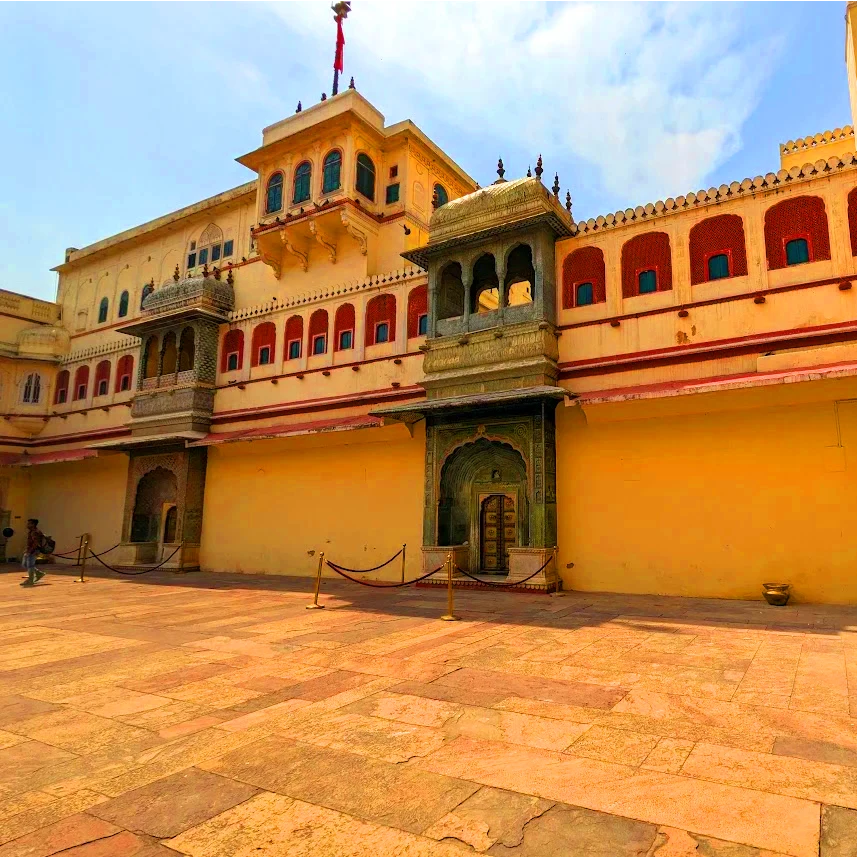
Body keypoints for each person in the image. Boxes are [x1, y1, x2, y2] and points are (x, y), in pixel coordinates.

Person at [20, 519, 45, 587]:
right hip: (30, 550)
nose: (27, 525)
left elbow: (36, 543)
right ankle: (39, 573)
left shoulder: (35, 532)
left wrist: (30, 551)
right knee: (25, 564)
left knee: (30, 565)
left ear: (33, 524)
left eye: (29, 523)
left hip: (34, 550)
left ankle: (30, 580)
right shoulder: (31, 532)